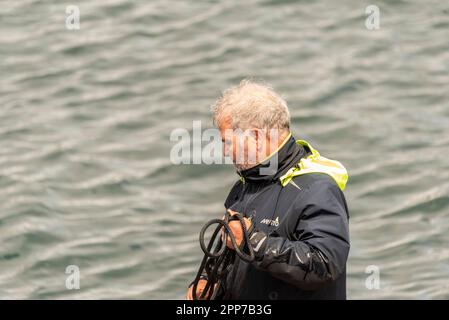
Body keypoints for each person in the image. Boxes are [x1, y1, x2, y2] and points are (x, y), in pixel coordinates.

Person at [187, 79, 350, 300]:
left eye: (227, 142)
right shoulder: (247, 185)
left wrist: (253, 241)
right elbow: (228, 254)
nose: (225, 152)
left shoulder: (317, 188)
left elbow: (325, 264)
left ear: (254, 137)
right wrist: (207, 282)